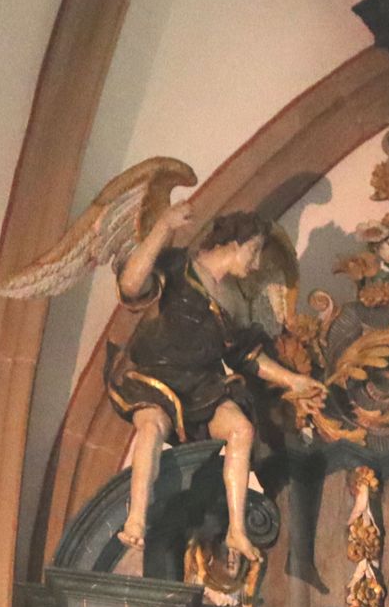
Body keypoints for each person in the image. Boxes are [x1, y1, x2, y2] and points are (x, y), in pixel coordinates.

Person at [111, 207, 326, 557]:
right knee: (151, 427)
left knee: (242, 429)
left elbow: (247, 357)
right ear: (235, 242)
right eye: (254, 251)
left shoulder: (233, 301)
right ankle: (136, 518)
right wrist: (162, 227)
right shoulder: (178, 267)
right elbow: (132, 284)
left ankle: (238, 531)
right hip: (156, 377)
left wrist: (293, 381)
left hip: (201, 387)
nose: (255, 265)